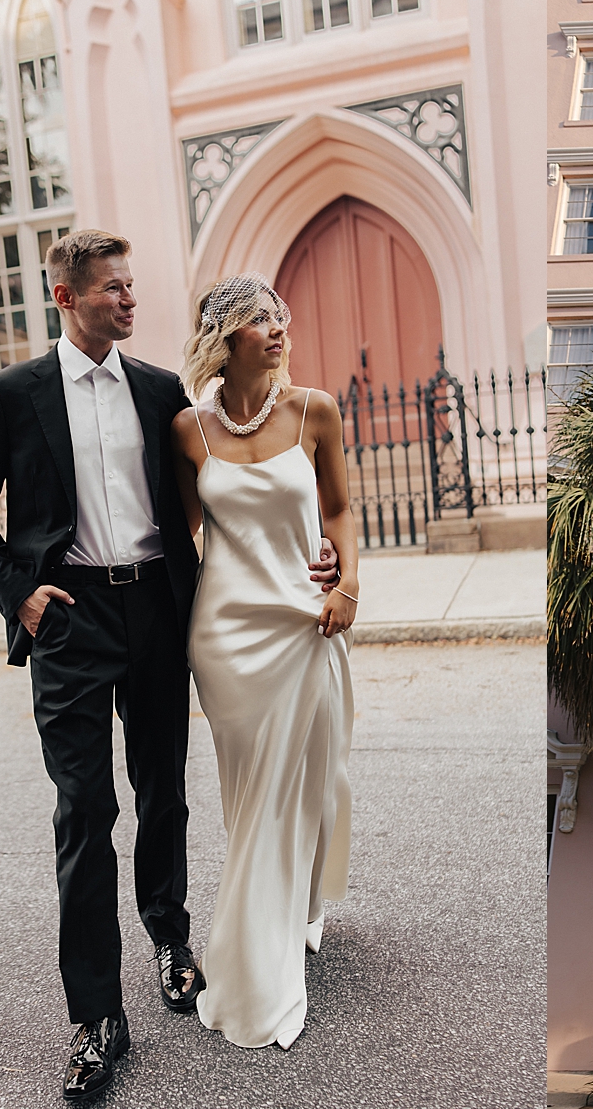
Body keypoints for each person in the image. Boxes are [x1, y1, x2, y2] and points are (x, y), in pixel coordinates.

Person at [0, 233, 337, 1099]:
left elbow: (229, 498)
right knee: (86, 810)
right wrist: (22, 594)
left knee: (164, 788)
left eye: (131, 286)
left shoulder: (164, 393)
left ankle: (170, 940)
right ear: (65, 297)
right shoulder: (13, 394)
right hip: (72, 618)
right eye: (112, 290)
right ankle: (95, 1020)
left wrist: (308, 561)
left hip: (160, 611)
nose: (129, 300)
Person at [170, 273, 359, 1050]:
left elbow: (340, 508)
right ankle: (265, 928)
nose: (278, 329)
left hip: (304, 623)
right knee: (249, 794)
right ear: (226, 338)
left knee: (303, 785)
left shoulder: (316, 410)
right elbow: (183, 542)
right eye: (259, 320)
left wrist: (347, 583)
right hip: (223, 635)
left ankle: (271, 932)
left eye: (280, 315)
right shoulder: (188, 430)